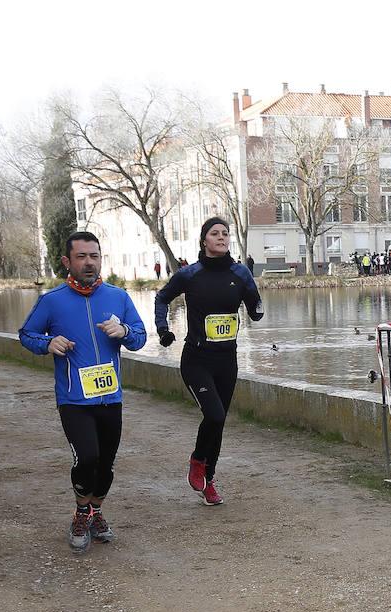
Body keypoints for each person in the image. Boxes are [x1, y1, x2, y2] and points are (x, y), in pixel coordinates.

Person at [19, 231, 147, 551]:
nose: (89, 263)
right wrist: (48, 343)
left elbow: (140, 337)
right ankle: (81, 511)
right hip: (74, 399)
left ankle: (96, 511)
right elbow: (26, 334)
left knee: (106, 465)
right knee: (87, 457)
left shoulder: (118, 297)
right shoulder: (52, 300)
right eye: (82, 257)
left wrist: (125, 331)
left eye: (94, 256)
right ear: (67, 261)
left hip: (110, 397)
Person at [154, 217, 264, 505]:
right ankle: (197, 462)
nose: (222, 237)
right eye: (215, 233)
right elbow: (162, 298)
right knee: (214, 415)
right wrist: (163, 329)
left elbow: (255, 306)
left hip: (227, 360)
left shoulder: (240, 273)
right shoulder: (190, 274)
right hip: (197, 360)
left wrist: (256, 306)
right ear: (204, 240)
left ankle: (209, 480)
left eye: (225, 233)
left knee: (219, 422)